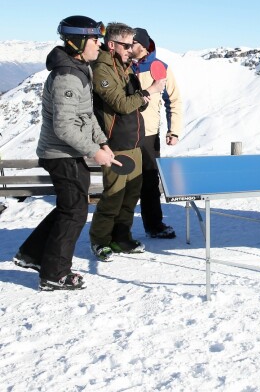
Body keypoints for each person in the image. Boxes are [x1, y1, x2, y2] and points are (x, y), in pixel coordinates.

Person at [13, 16, 116, 291]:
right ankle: (54, 273)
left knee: (69, 208)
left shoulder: (79, 68)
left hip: (68, 153)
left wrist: (102, 142)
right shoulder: (67, 77)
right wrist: (96, 152)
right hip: (61, 154)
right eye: (95, 39)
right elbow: (64, 127)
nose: (100, 44)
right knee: (74, 212)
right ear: (79, 42)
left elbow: (85, 114)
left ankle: (32, 254)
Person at [89, 23, 166, 261]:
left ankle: (121, 237)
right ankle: (100, 240)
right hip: (116, 143)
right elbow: (121, 104)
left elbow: (135, 102)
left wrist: (142, 96)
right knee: (114, 196)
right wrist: (149, 91)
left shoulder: (124, 67)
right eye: (127, 44)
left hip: (135, 140)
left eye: (132, 44)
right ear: (112, 44)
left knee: (131, 196)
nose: (131, 49)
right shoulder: (102, 70)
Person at [131, 27, 183, 238]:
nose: (127, 47)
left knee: (150, 183)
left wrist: (174, 130)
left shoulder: (159, 67)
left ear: (142, 46)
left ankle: (154, 225)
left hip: (149, 134)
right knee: (124, 185)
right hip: (123, 133)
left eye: (131, 44)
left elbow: (174, 100)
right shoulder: (121, 65)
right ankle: (118, 231)